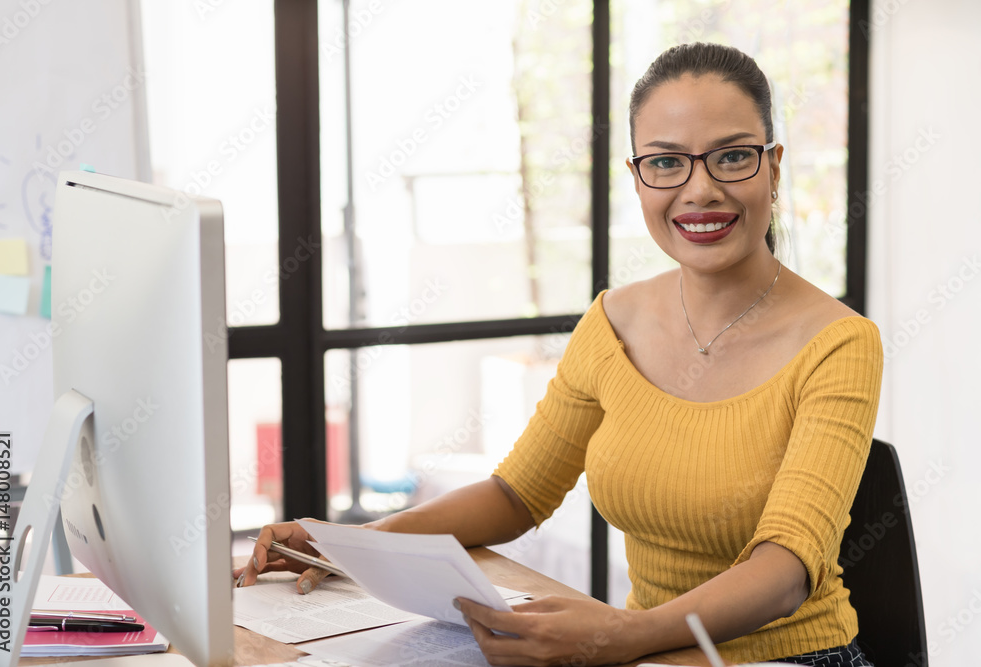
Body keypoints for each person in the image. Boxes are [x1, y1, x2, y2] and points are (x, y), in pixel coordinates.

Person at [234, 42, 882, 667]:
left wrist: (624, 634)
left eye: (732, 156)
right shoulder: (612, 321)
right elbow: (516, 494)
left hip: (795, 656)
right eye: (665, 162)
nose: (700, 189)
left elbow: (784, 572)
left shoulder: (838, 342)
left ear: (772, 165)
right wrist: (350, 546)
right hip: (649, 652)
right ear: (636, 178)